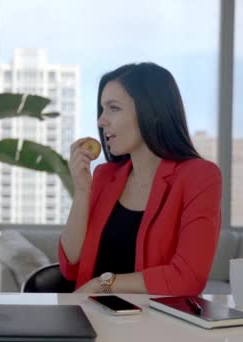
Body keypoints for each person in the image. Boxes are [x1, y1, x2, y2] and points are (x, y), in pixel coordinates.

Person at [59, 63, 222, 296]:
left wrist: (103, 284)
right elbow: (70, 266)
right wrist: (82, 191)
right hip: (90, 319)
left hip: (154, 327)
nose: (100, 121)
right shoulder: (104, 177)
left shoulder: (200, 177)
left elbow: (188, 278)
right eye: (101, 110)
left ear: (151, 112)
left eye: (113, 108)